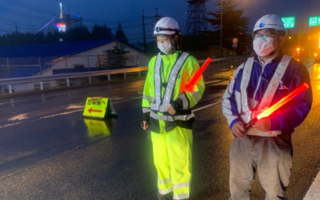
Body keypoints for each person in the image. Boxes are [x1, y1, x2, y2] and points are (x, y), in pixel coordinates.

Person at [222, 14, 313, 200]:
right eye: (257, 35)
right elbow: (228, 98)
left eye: (267, 34)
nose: (260, 40)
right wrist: (233, 121)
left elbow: (302, 106)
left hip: (274, 141)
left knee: (274, 193)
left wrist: (273, 121)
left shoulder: (295, 70)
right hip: (242, 139)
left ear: (280, 39)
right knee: (237, 190)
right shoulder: (243, 68)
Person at [141, 17, 205, 200]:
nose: (161, 43)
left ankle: (181, 197)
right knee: (160, 163)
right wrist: (145, 115)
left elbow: (198, 89)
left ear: (176, 38)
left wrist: (179, 103)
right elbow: (148, 91)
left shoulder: (188, 61)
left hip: (178, 125)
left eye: (165, 39)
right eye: (158, 40)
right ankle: (164, 194)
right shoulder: (154, 62)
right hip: (156, 126)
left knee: (180, 164)